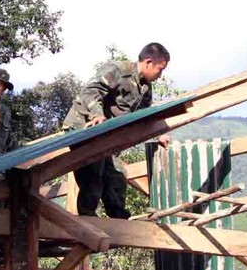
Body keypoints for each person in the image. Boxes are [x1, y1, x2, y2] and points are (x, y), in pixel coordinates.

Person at [62, 42, 171, 219]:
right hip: (84, 126)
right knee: (93, 174)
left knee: (117, 176)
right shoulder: (118, 70)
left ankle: (119, 219)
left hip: (106, 137)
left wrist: (159, 133)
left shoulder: (145, 88)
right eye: (160, 69)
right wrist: (97, 115)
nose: (160, 75)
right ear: (148, 62)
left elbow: (145, 117)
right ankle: (87, 220)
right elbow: (90, 91)